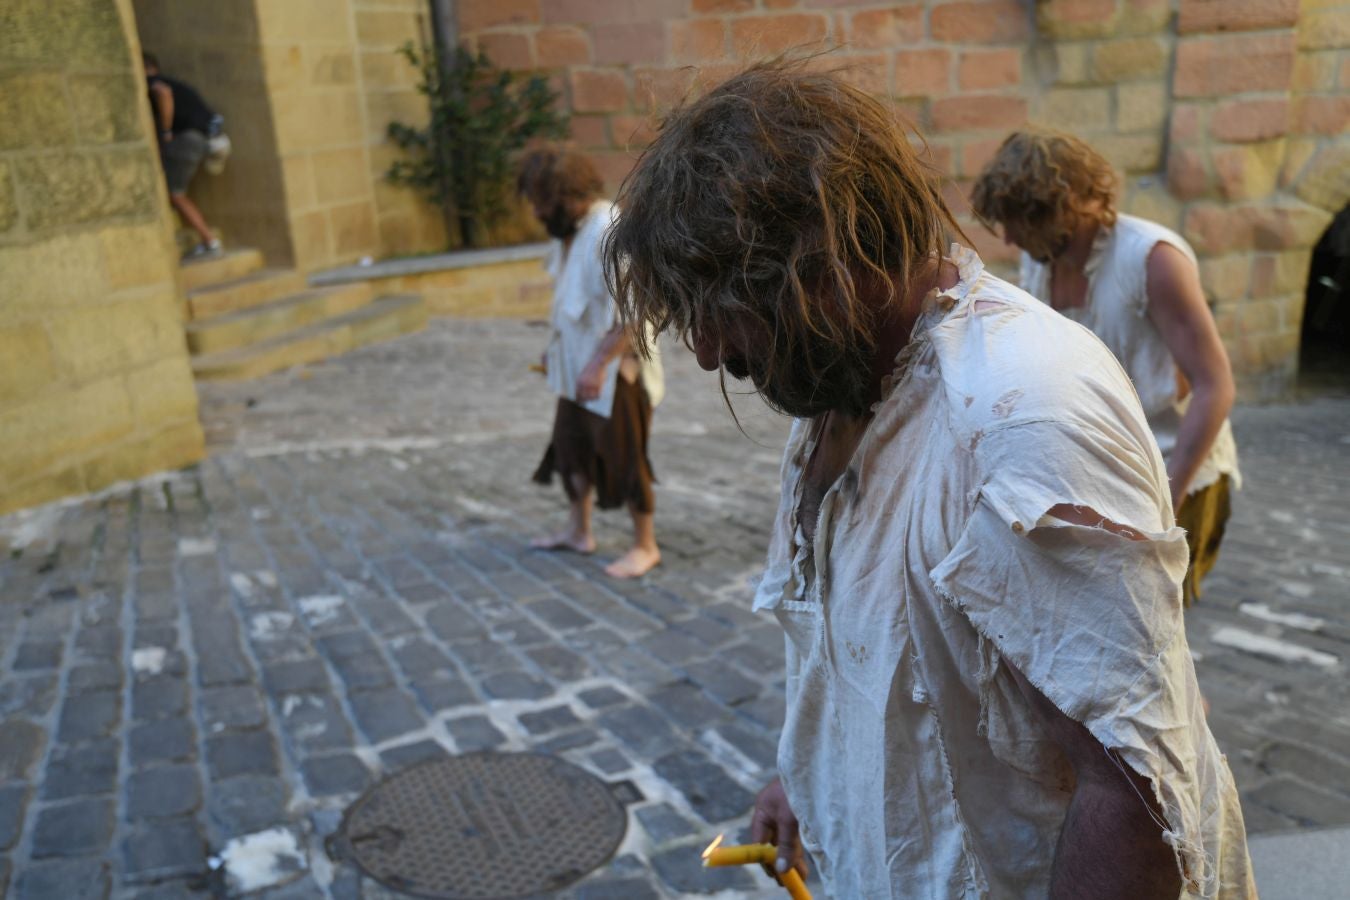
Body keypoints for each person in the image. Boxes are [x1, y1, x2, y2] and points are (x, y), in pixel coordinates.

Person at [605, 61, 1253, 898]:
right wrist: (808, 782)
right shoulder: (844, 387)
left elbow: (1133, 796)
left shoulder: (1018, 416)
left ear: (825, 265)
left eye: (722, 310)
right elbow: (864, 659)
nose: (707, 353)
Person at [972, 131, 1240, 606]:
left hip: (1176, 471)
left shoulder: (1153, 260)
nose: (1009, 239)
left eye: (1015, 222)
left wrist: (1166, 500)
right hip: (1101, 476)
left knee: (1154, 627)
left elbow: (1214, 386)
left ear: (1055, 210)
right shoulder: (1043, 262)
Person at [519, 144, 664, 579]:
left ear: (569, 194)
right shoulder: (573, 234)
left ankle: (646, 545)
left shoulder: (608, 230)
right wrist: (557, 351)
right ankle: (579, 531)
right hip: (577, 372)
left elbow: (638, 311)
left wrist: (598, 365)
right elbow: (570, 303)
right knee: (570, 451)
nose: (538, 212)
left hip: (616, 373)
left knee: (625, 457)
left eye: (543, 202)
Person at [143, 52, 221, 258]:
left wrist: (166, 131)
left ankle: (209, 241)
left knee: (174, 193)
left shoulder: (154, 82)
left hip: (188, 140)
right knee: (177, 191)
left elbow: (163, 92)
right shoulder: (177, 82)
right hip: (211, 139)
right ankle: (207, 240)